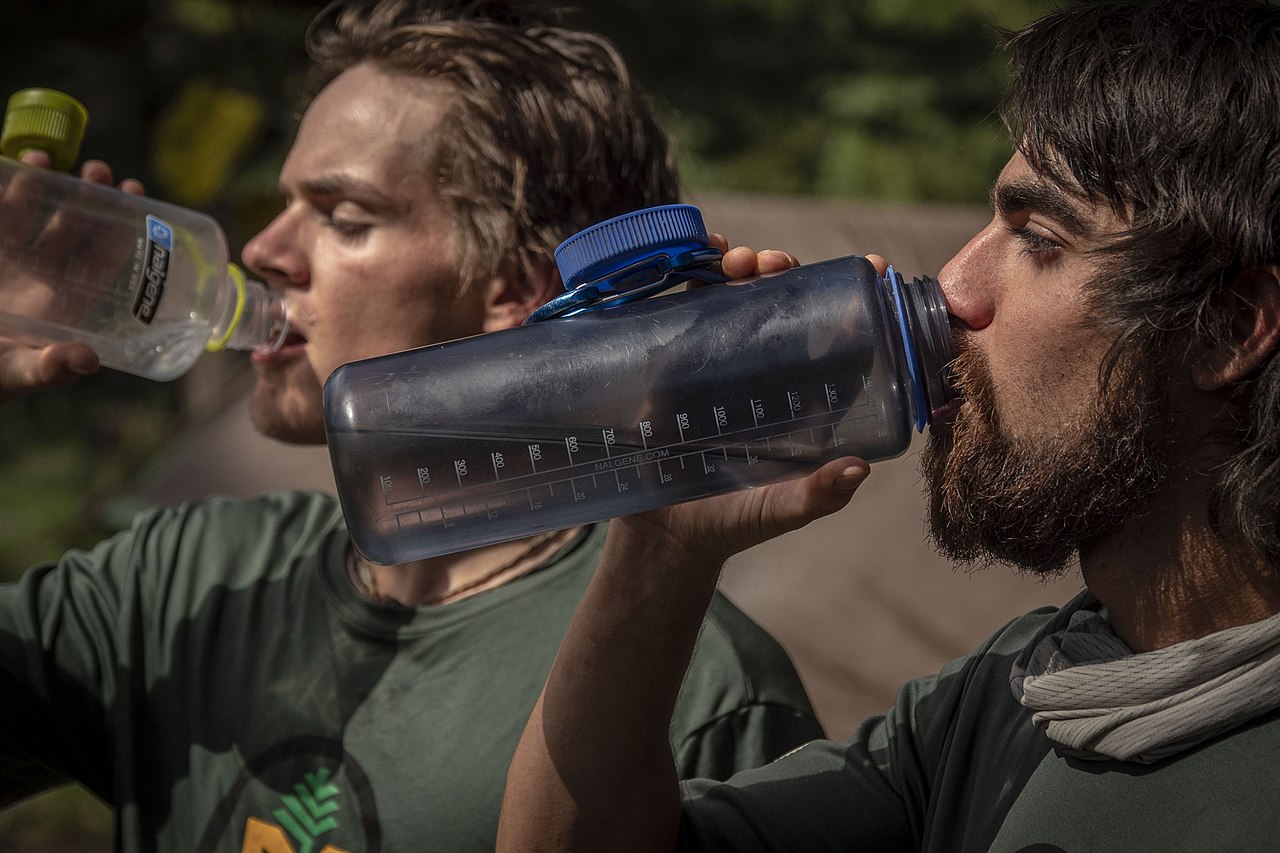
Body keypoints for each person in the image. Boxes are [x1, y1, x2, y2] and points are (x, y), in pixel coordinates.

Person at [0, 1, 825, 850]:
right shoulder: (188, 579)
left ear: (517, 287)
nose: (262, 251)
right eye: (281, 204)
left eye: (343, 217)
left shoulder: (697, 688)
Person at [498, 0, 1280, 849]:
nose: (951, 287)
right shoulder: (998, 703)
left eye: (1040, 238)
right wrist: (666, 539)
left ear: (1228, 326)